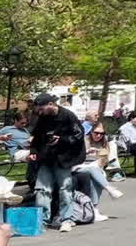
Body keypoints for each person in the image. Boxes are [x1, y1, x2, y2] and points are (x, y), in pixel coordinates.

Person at [28, 93, 85, 232]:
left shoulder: (68, 116)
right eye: (38, 110)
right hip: (46, 157)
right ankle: (42, 220)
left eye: (41, 109)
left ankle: (67, 219)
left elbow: (78, 135)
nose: (40, 112)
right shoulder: (42, 118)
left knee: (65, 188)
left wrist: (62, 139)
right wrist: (34, 152)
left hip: (64, 158)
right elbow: (36, 138)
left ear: (51, 104)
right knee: (42, 189)